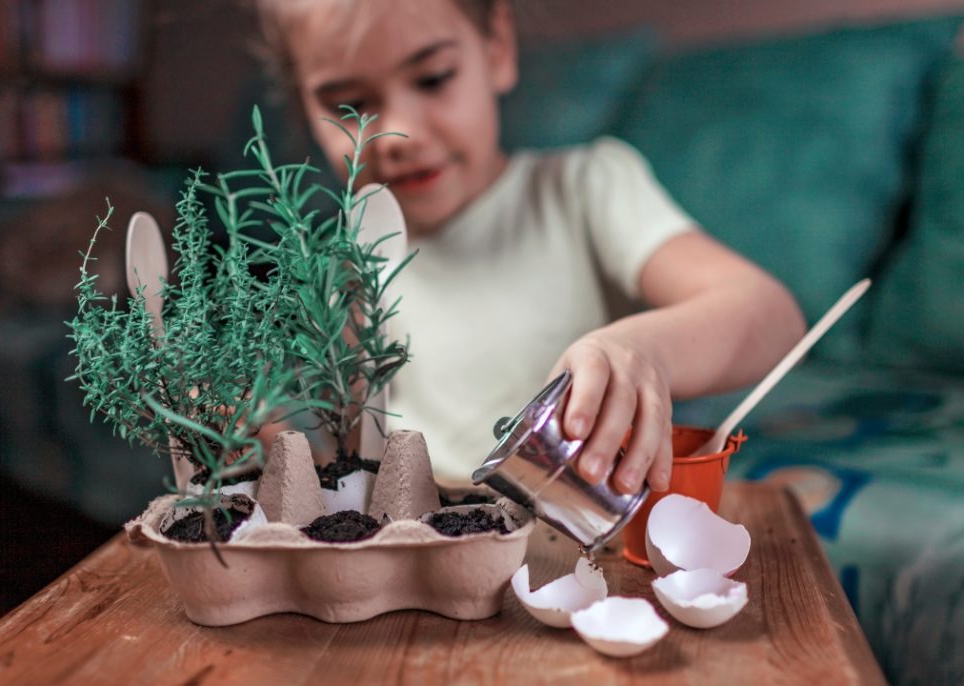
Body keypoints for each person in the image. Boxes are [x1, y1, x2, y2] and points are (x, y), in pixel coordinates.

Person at [255, 0, 807, 495]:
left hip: (571, 556)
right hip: (419, 551)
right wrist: (272, 440)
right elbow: (353, 452)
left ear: (497, 46)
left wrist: (646, 350)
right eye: (349, 103)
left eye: (433, 78)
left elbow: (771, 316)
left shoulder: (585, 189)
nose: (399, 135)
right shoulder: (345, 258)